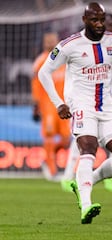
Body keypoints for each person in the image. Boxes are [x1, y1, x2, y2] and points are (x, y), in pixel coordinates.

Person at [38, 2, 112, 224]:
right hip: (81, 106)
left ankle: (86, 181)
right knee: (88, 149)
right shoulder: (70, 45)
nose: (100, 24)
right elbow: (44, 73)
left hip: (107, 107)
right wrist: (59, 103)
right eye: (95, 20)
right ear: (85, 20)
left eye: (102, 20)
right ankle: (86, 205)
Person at [60, 12, 112, 193]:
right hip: (88, 97)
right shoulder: (84, 45)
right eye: (111, 26)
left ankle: (106, 176)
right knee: (82, 139)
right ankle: (68, 175)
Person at [31, 32, 71, 180]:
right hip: (47, 105)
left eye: (52, 41)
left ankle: (48, 159)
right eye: (47, 41)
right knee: (49, 136)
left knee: (66, 140)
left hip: (64, 104)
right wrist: (36, 104)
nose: (49, 43)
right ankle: (51, 169)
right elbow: (35, 85)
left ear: (57, 41)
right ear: (43, 43)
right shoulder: (40, 61)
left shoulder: (64, 59)